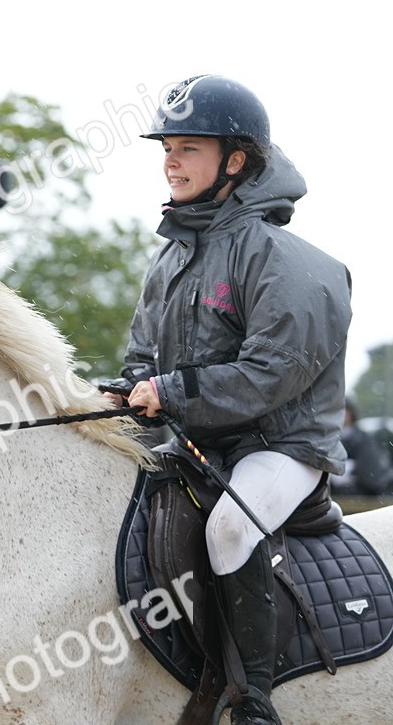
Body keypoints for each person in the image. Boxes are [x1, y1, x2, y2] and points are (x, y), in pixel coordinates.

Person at [115, 75, 351, 725]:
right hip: (200, 441)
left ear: (236, 160)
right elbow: (142, 359)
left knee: (229, 526)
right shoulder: (171, 259)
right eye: (167, 147)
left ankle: (254, 701)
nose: (171, 160)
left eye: (189, 147)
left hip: (281, 445)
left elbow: (270, 377)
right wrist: (121, 392)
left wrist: (168, 391)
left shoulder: (290, 263)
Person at [331, 398, 393, 497]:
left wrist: (353, 469)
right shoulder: (328, 438)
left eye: (342, 410)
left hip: (359, 494)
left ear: (350, 414)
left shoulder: (362, 439)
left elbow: (372, 473)